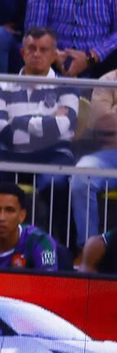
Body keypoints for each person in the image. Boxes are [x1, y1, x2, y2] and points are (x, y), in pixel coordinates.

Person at [0, 28, 76, 218]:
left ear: (53, 55)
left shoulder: (68, 86)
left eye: (43, 49)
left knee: (57, 185)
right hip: (8, 156)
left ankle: (64, 245)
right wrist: (44, 123)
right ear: (22, 52)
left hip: (52, 155)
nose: (36, 54)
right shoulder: (4, 85)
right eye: (32, 48)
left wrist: (16, 122)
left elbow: (61, 127)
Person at [71, 70, 117, 244]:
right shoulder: (108, 80)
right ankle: (88, 247)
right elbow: (102, 123)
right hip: (111, 155)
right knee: (82, 175)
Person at [23, 0, 117, 78]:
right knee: (34, 52)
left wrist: (91, 56)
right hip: (54, 57)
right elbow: (35, 29)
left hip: (100, 61)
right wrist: (55, 55)